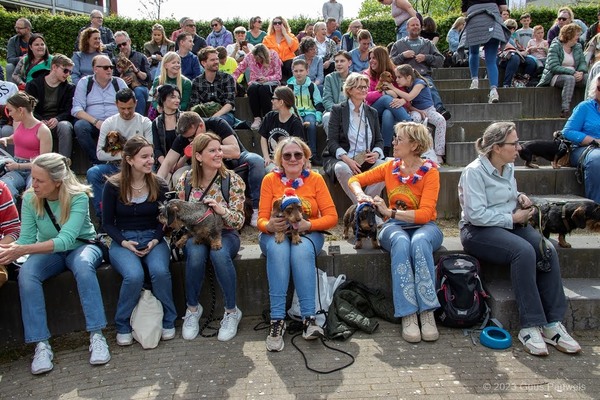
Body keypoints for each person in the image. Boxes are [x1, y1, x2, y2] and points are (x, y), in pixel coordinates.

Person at [458, 121, 581, 356]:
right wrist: (513, 218)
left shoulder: (508, 166)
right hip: (477, 231)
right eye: (514, 143)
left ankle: (553, 323)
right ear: (496, 147)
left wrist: (521, 197)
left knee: (546, 249)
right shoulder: (473, 172)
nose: (519, 147)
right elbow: (476, 214)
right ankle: (530, 325)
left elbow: (509, 194)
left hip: (508, 223)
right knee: (523, 251)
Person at [0, 153, 110, 374]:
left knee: (82, 266)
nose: (34, 184)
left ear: (57, 181)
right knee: (27, 273)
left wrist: (22, 250)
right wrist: (8, 250)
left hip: (81, 246)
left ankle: (97, 335)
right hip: (48, 251)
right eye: (33, 178)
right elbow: (27, 238)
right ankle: (41, 344)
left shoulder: (77, 196)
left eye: (40, 180)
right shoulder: (31, 198)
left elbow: (67, 240)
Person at [349, 122, 442, 344]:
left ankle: (427, 311)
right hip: (395, 228)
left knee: (419, 242)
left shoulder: (430, 172)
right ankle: (408, 313)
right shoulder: (390, 167)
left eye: (399, 139)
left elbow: (425, 214)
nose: (394, 143)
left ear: (415, 145)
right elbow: (354, 179)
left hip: (425, 227)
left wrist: (389, 211)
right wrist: (361, 195)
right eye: (394, 138)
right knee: (401, 242)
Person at [257, 137, 338, 351]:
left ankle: (309, 319)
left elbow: (332, 217)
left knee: (300, 251)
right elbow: (260, 219)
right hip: (275, 234)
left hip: (308, 233)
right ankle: (277, 321)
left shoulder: (316, 179)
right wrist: (270, 225)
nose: (293, 158)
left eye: (298, 154)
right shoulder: (269, 180)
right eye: (287, 155)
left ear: (305, 158)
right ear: (280, 160)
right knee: (278, 249)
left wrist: (308, 224)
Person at [102, 136, 177, 346]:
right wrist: (124, 242)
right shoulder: (113, 186)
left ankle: (169, 319)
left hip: (153, 238)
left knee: (160, 272)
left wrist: (155, 240)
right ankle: (123, 324)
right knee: (133, 276)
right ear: (129, 159)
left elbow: (165, 220)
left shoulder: (159, 184)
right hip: (123, 239)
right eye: (144, 157)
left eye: (151, 156)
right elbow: (107, 223)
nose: (150, 160)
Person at [176, 132, 245, 342]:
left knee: (218, 254)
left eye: (219, 149)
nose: (218, 154)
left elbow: (239, 221)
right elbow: (180, 215)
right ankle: (192, 309)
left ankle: (232, 311)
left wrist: (221, 211)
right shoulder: (185, 181)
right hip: (196, 233)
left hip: (225, 232)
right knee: (196, 254)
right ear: (198, 156)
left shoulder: (232, 180)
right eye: (212, 150)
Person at [156, 112, 264, 226]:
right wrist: (156, 185)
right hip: (203, 168)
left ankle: (256, 209)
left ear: (201, 126)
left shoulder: (217, 123)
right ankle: (187, 217)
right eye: (187, 138)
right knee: (178, 175)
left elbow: (235, 151)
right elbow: (167, 163)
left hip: (234, 161)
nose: (190, 140)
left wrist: (209, 148)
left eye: (193, 136)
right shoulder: (186, 137)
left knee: (256, 160)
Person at [86, 88, 153, 221]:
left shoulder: (145, 122)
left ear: (136, 103)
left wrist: (133, 158)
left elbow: (150, 150)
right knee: (93, 173)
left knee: (153, 171)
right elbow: (100, 153)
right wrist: (128, 155)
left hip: (139, 166)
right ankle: (103, 216)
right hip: (115, 165)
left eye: (130, 107)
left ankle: (148, 215)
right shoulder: (109, 123)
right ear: (116, 104)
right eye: (122, 108)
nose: (126, 112)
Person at [322, 72, 385, 203]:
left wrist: (376, 154)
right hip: (343, 159)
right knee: (342, 168)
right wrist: (346, 159)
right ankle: (363, 206)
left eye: (365, 87)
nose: (364, 90)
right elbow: (331, 141)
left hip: (365, 159)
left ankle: (364, 207)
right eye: (359, 87)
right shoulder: (338, 110)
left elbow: (379, 140)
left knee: (385, 167)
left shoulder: (371, 112)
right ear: (349, 90)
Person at [71, 54, 128, 164]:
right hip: (94, 124)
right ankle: (98, 162)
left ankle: (121, 161)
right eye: (106, 67)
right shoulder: (85, 82)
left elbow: (129, 104)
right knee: (80, 126)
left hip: (116, 123)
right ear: (95, 69)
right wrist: (96, 122)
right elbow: (77, 109)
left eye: (111, 67)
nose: (109, 70)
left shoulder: (119, 83)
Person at [389, 17, 449, 120]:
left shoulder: (427, 43)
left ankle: (440, 109)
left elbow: (440, 60)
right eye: (413, 25)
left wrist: (426, 57)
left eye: (417, 25)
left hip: (422, 75)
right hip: (403, 78)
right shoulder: (398, 44)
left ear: (421, 27)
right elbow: (389, 62)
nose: (415, 27)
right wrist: (402, 56)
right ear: (407, 28)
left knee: (429, 85)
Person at [0, 92, 52, 199]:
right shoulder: (18, 123)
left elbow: (43, 163)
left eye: (10, 110)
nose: (9, 114)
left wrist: (19, 166)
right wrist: (6, 139)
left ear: (20, 110)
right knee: (5, 187)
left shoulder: (43, 130)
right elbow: (18, 138)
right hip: (16, 167)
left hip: (35, 170)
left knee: (32, 193)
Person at [25, 54, 76, 158]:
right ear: (54, 67)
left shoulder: (69, 88)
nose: (67, 74)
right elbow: (28, 107)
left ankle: (64, 164)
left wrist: (58, 119)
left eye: (70, 72)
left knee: (65, 126)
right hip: (37, 121)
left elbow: (69, 110)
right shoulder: (33, 85)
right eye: (65, 71)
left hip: (58, 122)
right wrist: (39, 120)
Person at [393, 64, 446, 164]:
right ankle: (415, 151)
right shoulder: (404, 87)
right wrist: (417, 110)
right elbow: (409, 105)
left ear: (408, 77)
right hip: (415, 110)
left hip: (429, 109)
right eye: (396, 77)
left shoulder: (419, 83)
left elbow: (409, 97)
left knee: (441, 120)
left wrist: (393, 88)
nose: (396, 80)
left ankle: (439, 153)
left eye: (399, 77)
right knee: (414, 120)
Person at [461, 0, 510, 104]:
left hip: (474, 21)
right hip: (492, 19)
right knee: (491, 60)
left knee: (473, 52)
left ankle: (474, 80)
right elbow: (504, 7)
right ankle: (493, 91)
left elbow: (464, 12)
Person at [364, 46, 411, 154]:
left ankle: (384, 151)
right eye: (370, 58)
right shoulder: (366, 75)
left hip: (391, 110)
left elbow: (405, 96)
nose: (371, 61)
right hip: (371, 109)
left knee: (388, 113)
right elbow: (366, 96)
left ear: (382, 59)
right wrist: (384, 93)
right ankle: (411, 124)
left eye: (374, 58)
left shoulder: (394, 74)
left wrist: (403, 100)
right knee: (386, 98)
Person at [563, 74, 600, 203]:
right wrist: (594, 141)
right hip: (584, 149)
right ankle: (596, 208)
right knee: (597, 159)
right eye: (599, 88)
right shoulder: (584, 107)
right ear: (594, 89)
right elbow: (567, 132)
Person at [537, 23, 587, 119]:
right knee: (570, 79)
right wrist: (573, 73)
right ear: (570, 35)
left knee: (588, 78)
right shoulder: (555, 46)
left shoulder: (578, 46)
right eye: (577, 34)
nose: (579, 37)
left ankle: (591, 108)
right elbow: (554, 66)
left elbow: (582, 62)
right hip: (557, 75)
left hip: (576, 74)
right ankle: (565, 110)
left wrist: (581, 72)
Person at [232, 44, 282, 130]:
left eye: (258, 58)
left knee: (264, 89)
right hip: (256, 81)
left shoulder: (273, 55)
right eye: (255, 58)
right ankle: (257, 118)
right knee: (252, 89)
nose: (256, 60)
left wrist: (267, 79)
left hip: (271, 81)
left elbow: (278, 75)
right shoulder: (249, 56)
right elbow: (238, 70)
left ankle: (268, 118)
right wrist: (233, 81)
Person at [287, 59, 324, 164]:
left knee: (311, 125)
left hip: (309, 112)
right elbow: (287, 104)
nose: (298, 73)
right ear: (292, 72)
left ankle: (313, 154)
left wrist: (318, 117)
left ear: (307, 71)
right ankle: (297, 155)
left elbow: (318, 103)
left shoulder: (312, 86)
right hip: (294, 113)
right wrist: (296, 115)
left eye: (301, 70)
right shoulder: (289, 87)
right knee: (296, 125)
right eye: (296, 71)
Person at [189, 47, 237, 128]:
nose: (216, 62)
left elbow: (229, 103)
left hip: (224, 115)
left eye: (217, 59)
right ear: (203, 63)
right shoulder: (196, 82)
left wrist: (215, 117)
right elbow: (194, 105)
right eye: (212, 60)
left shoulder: (227, 78)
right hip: (204, 115)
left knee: (218, 122)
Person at [259, 86, 304, 169]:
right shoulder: (269, 116)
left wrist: (280, 162)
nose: (272, 101)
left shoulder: (295, 123)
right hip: (270, 160)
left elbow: (296, 147)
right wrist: (266, 157)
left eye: (274, 98)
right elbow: (263, 137)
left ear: (281, 102)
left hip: (288, 162)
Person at [112, 31, 151, 116]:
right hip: (122, 88)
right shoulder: (115, 60)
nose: (122, 47)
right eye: (119, 45)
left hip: (140, 87)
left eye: (124, 44)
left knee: (138, 91)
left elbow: (148, 78)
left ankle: (138, 118)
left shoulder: (141, 57)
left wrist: (135, 70)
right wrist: (121, 80)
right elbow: (113, 80)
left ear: (129, 41)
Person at [497, 19, 538, 88]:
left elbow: (516, 49)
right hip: (503, 58)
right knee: (515, 58)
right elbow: (507, 49)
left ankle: (524, 81)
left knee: (531, 62)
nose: (511, 30)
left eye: (513, 28)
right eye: (508, 27)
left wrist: (523, 51)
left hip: (515, 56)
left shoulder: (513, 39)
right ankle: (507, 83)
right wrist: (520, 53)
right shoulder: (501, 37)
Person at [152, 85, 182, 168]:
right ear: (163, 99)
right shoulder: (156, 123)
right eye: (173, 97)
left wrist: (178, 165)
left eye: (178, 97)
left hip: (183, 163)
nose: (177, 100)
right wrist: (166, 165)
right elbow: (157, 149)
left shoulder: (184, 118)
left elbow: (189, 146)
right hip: (164, 164)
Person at [323, 51, 352, 134]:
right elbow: (326, 100)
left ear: (349, 63)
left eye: (342, 61)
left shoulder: (355, 78)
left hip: (351, 111)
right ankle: (333, 145)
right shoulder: (329, 78)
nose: (339, 64)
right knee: (327, 117)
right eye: (336, 61)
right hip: (333, 110)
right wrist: (337, 112)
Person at [263, 16, 299, 81]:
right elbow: (265, 53)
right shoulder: (267, 38)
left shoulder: (290, 36)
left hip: (288, 63)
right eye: (275, 23)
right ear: (272, 25)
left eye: (279, 23)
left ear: (283, 24)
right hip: (274, 62)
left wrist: (285, 33)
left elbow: (294, 48)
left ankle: (291, 85)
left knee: (290, 63)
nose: (277, 24)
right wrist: (277, 60)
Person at [6, 18, 33, 83]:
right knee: (9, 66)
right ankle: (13, 91)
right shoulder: (12, 41)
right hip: (19, 68)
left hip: (34, 65)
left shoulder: (37, 39)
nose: (17, 30)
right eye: (16, 28)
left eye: (20, 28)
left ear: (28, 29)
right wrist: (21, 59)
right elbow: (9, 59)